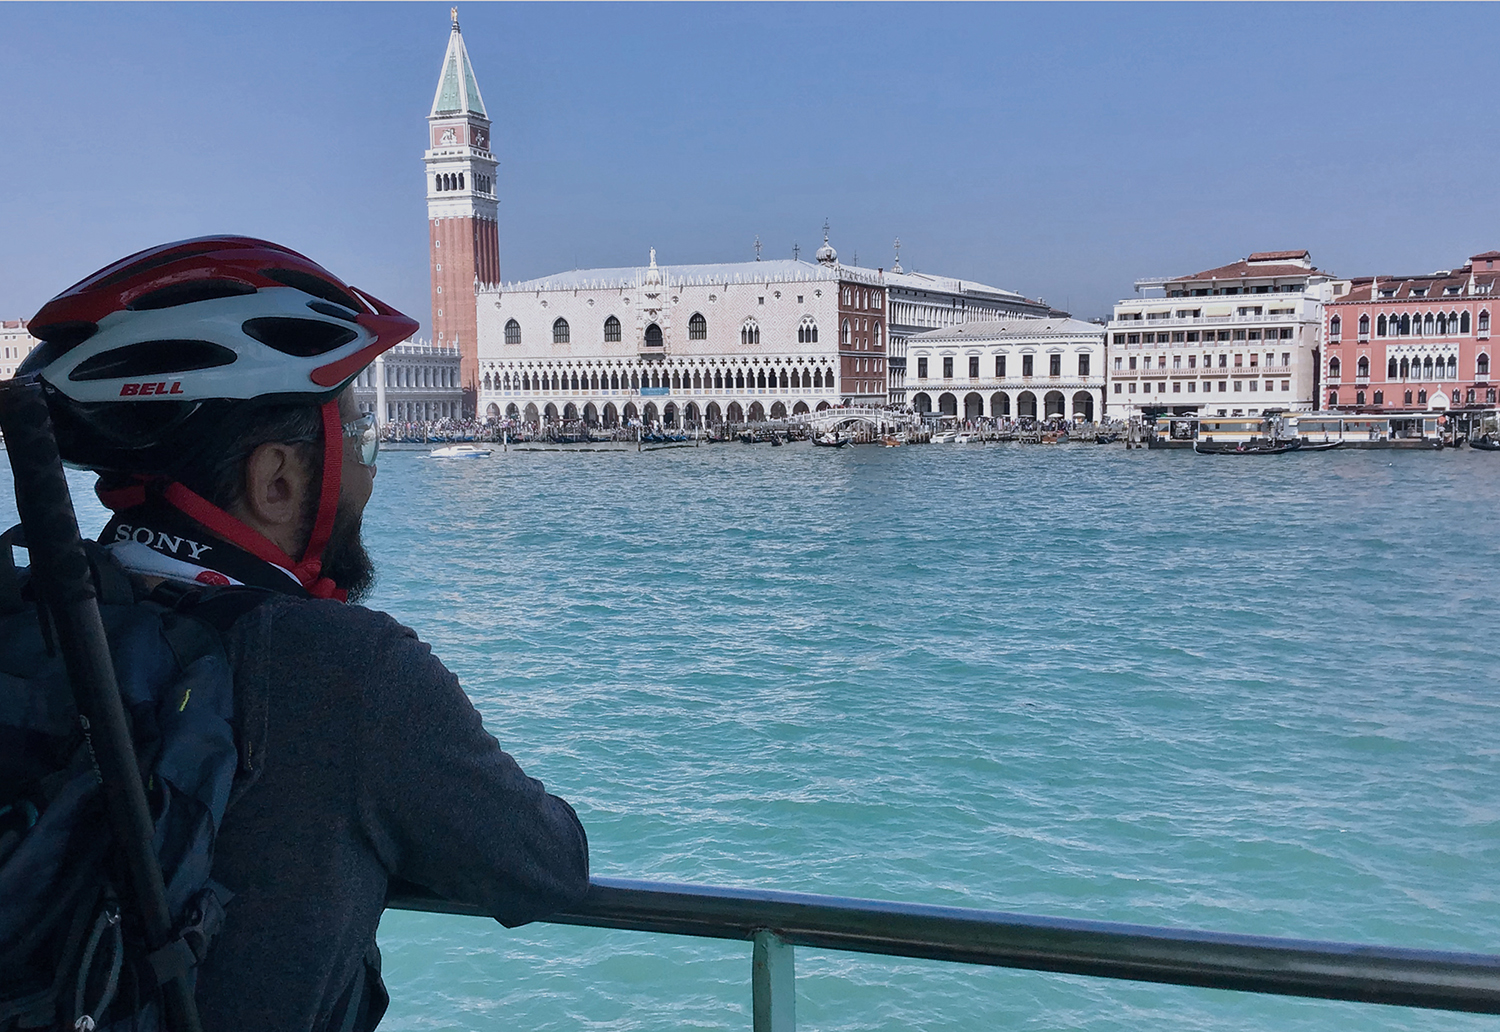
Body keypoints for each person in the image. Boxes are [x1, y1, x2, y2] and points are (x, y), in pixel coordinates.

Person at [17, 237, 589, 1030]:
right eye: (360, 439)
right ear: (277, 479)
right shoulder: (349, 668)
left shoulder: (31, 619)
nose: (371, 471)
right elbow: (545, 867)